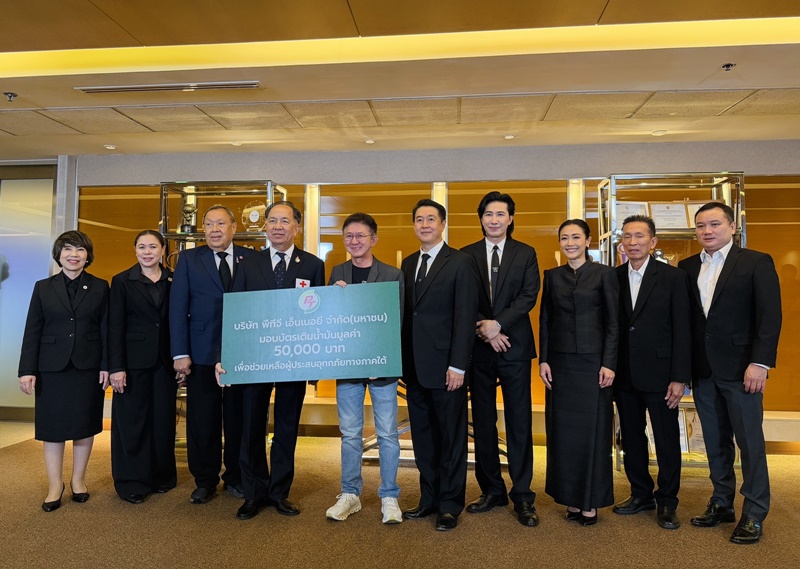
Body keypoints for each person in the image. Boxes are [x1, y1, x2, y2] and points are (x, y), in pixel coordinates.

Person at [678, 202, 781, 545]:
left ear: (732, 227)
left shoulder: (755, 262)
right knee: (714, 441)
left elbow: (769, 317)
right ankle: (722, 502)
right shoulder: (687, 267)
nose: (707, 231)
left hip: (742, 370)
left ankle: (754, 512)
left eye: (715, 224)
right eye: (701, 225)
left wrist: (760, 363)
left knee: (749, 443)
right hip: (704, 370)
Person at [222, 200, 325, 520]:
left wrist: (315, 362)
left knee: (286, 426)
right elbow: (235, 309)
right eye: (272, 221)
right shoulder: (248, 263)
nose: (278, 226)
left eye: (285, 221)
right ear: (265, 226)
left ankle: (279, 493)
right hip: (254, 357)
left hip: (294, 358)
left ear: (297, 227)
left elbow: (318, 314)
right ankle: (253, 492)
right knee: (251, 426)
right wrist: (227, 355)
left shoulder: (312, 265)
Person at [461, 191, 541, 527]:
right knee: (483, 422)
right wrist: (485, 328)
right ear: (481, 218)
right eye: (488, 214)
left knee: (519, 421)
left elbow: (529, 294)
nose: (494, 220)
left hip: (514, 347)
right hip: (479, 348)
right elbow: (463, 298)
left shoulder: (526, 253)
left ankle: (522, 495)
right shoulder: (466, 255)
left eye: (500, 214)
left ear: (510, 219)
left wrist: (498, 324)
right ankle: (492, 489)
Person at [400, 199, 479, 531]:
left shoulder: (460, 262)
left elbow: (465, 316)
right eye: (419, 219)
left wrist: (458, 365)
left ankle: (449, 504)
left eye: (431, 219)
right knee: (424, 439)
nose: (425, 225)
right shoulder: (408, 263)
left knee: (451, 439)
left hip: (448, 369)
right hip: (415, 369)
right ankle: (428, 499)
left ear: (443, 224)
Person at [18, 230, 109, 512]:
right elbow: (32, 330)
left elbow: (107, 330)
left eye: (80, 249)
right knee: (53, 428)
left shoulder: (100, 287)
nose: (73, 254)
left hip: (88, 366)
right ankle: (55, 485)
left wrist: (107, 365)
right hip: (51, 368)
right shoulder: (43, 287)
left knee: (85, 425)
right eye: (68, 249)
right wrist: (27, 369)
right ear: (58, 254)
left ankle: (78, 480)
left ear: (87, 255)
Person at [170, 204, 255, 504]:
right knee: (202, 420)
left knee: (237, 420)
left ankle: (235, 477)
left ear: (234, 227)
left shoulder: (251, 258)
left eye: (221, 223)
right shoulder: (189, 260)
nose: (214, 230)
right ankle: (204, 480)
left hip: (241, 352)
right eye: (208, 224)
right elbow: (177, 308)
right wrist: (180, 353)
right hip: (201, 353)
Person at [611, 215, 691, 530]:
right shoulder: (613, 277)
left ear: (653, 242)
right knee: (632, 438)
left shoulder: (673, 277)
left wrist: (679, 377)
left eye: (640, 236)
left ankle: (668, 501)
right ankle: (640, 493)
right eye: (627, 236)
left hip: (662, 374)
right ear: (621, 243)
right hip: (624, 374)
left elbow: (683, 329)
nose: (633, 242)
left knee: (666, 438)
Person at [325, 212, 405, 525]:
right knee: (350, 434)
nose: (354, 241)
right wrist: (334, 297)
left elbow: (396, 321)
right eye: (349, 236)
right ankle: (350, 494)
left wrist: (379, 358)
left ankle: (389, 495)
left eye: (361, 235)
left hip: (382, 369)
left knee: (387, 434)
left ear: (374, 239)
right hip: (348, 367)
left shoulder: (392, 274)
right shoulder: (337, 272)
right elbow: (330, 320)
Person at [538, 219, 619, 526]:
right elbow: (545, 320)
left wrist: (609, 362)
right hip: (559, 366)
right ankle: (570, 498)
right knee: (564, 434)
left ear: (587, 241)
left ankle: (590, 502)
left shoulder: (604, 274)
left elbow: (613, 322)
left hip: (593, 366)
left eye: (575, 237)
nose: (569, 243)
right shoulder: (552, 276)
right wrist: (544, 360)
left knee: (593, 433)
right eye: (564, 238)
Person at [108, 230, 178, 504]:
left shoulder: (174, 279)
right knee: (132, 423)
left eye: (153, 247)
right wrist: (116, 367)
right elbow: (115, 327)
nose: (147, 252)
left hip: (165, 362)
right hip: (131, 363)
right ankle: (132, 481)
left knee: (162, 420)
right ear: (135, 250)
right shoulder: (122, 281)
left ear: (163, 250)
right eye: (142, 247)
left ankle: (161, 476)